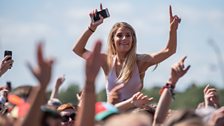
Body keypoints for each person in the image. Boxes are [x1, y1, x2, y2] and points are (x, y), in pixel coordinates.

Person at [73, 4, 181, 102]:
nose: (124, 38)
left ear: (133, 40)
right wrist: (92, 28)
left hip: (133, 116)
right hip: (112, 116)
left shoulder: (141, 61)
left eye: (128, 35)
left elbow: (169, 51)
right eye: (119, 35)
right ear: (112, 40)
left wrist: (173, 30)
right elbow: (78, 50)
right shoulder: (107, 61)